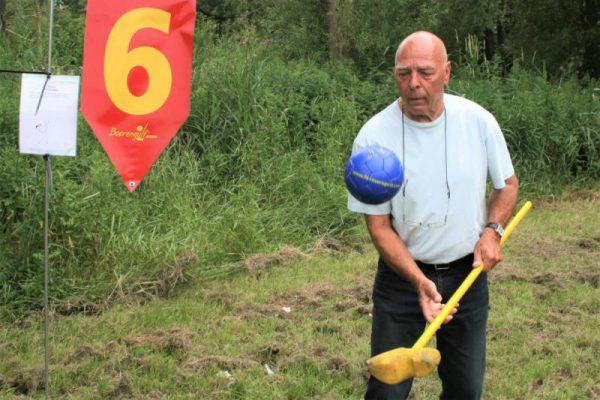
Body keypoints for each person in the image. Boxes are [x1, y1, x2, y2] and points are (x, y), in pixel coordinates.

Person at [347, 31, 519, 399]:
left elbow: (507, 185)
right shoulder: (373, 138)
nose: (413, 84)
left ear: (447, 72)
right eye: (403, 73)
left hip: (466, 278)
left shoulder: (478, 122)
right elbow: (378, 227)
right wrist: (417, 282)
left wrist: (492, 231)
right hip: (401, 281)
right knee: (386, 390)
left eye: (425, 72)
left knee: (465, 389)